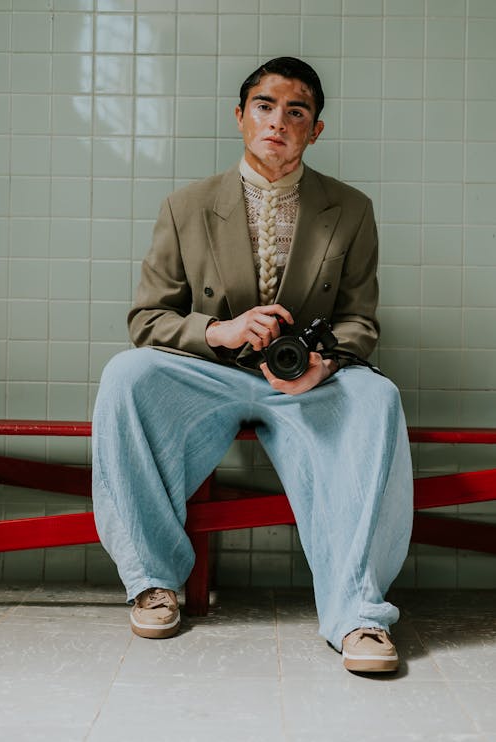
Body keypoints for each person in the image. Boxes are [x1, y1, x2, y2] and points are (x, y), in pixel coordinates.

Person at [92, 57, 413, 674]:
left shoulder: (350, 209)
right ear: (240, 117)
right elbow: (147, 321)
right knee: (125, 376)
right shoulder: (186, 206)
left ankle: (359, 613)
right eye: (264, 106)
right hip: (211, 374)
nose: (278, 121)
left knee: (379, 398)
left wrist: (323, 362)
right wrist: (220, 330)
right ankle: (152, 580)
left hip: (307, 381)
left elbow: (360, 321)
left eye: (297, 111)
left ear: (315, 130)